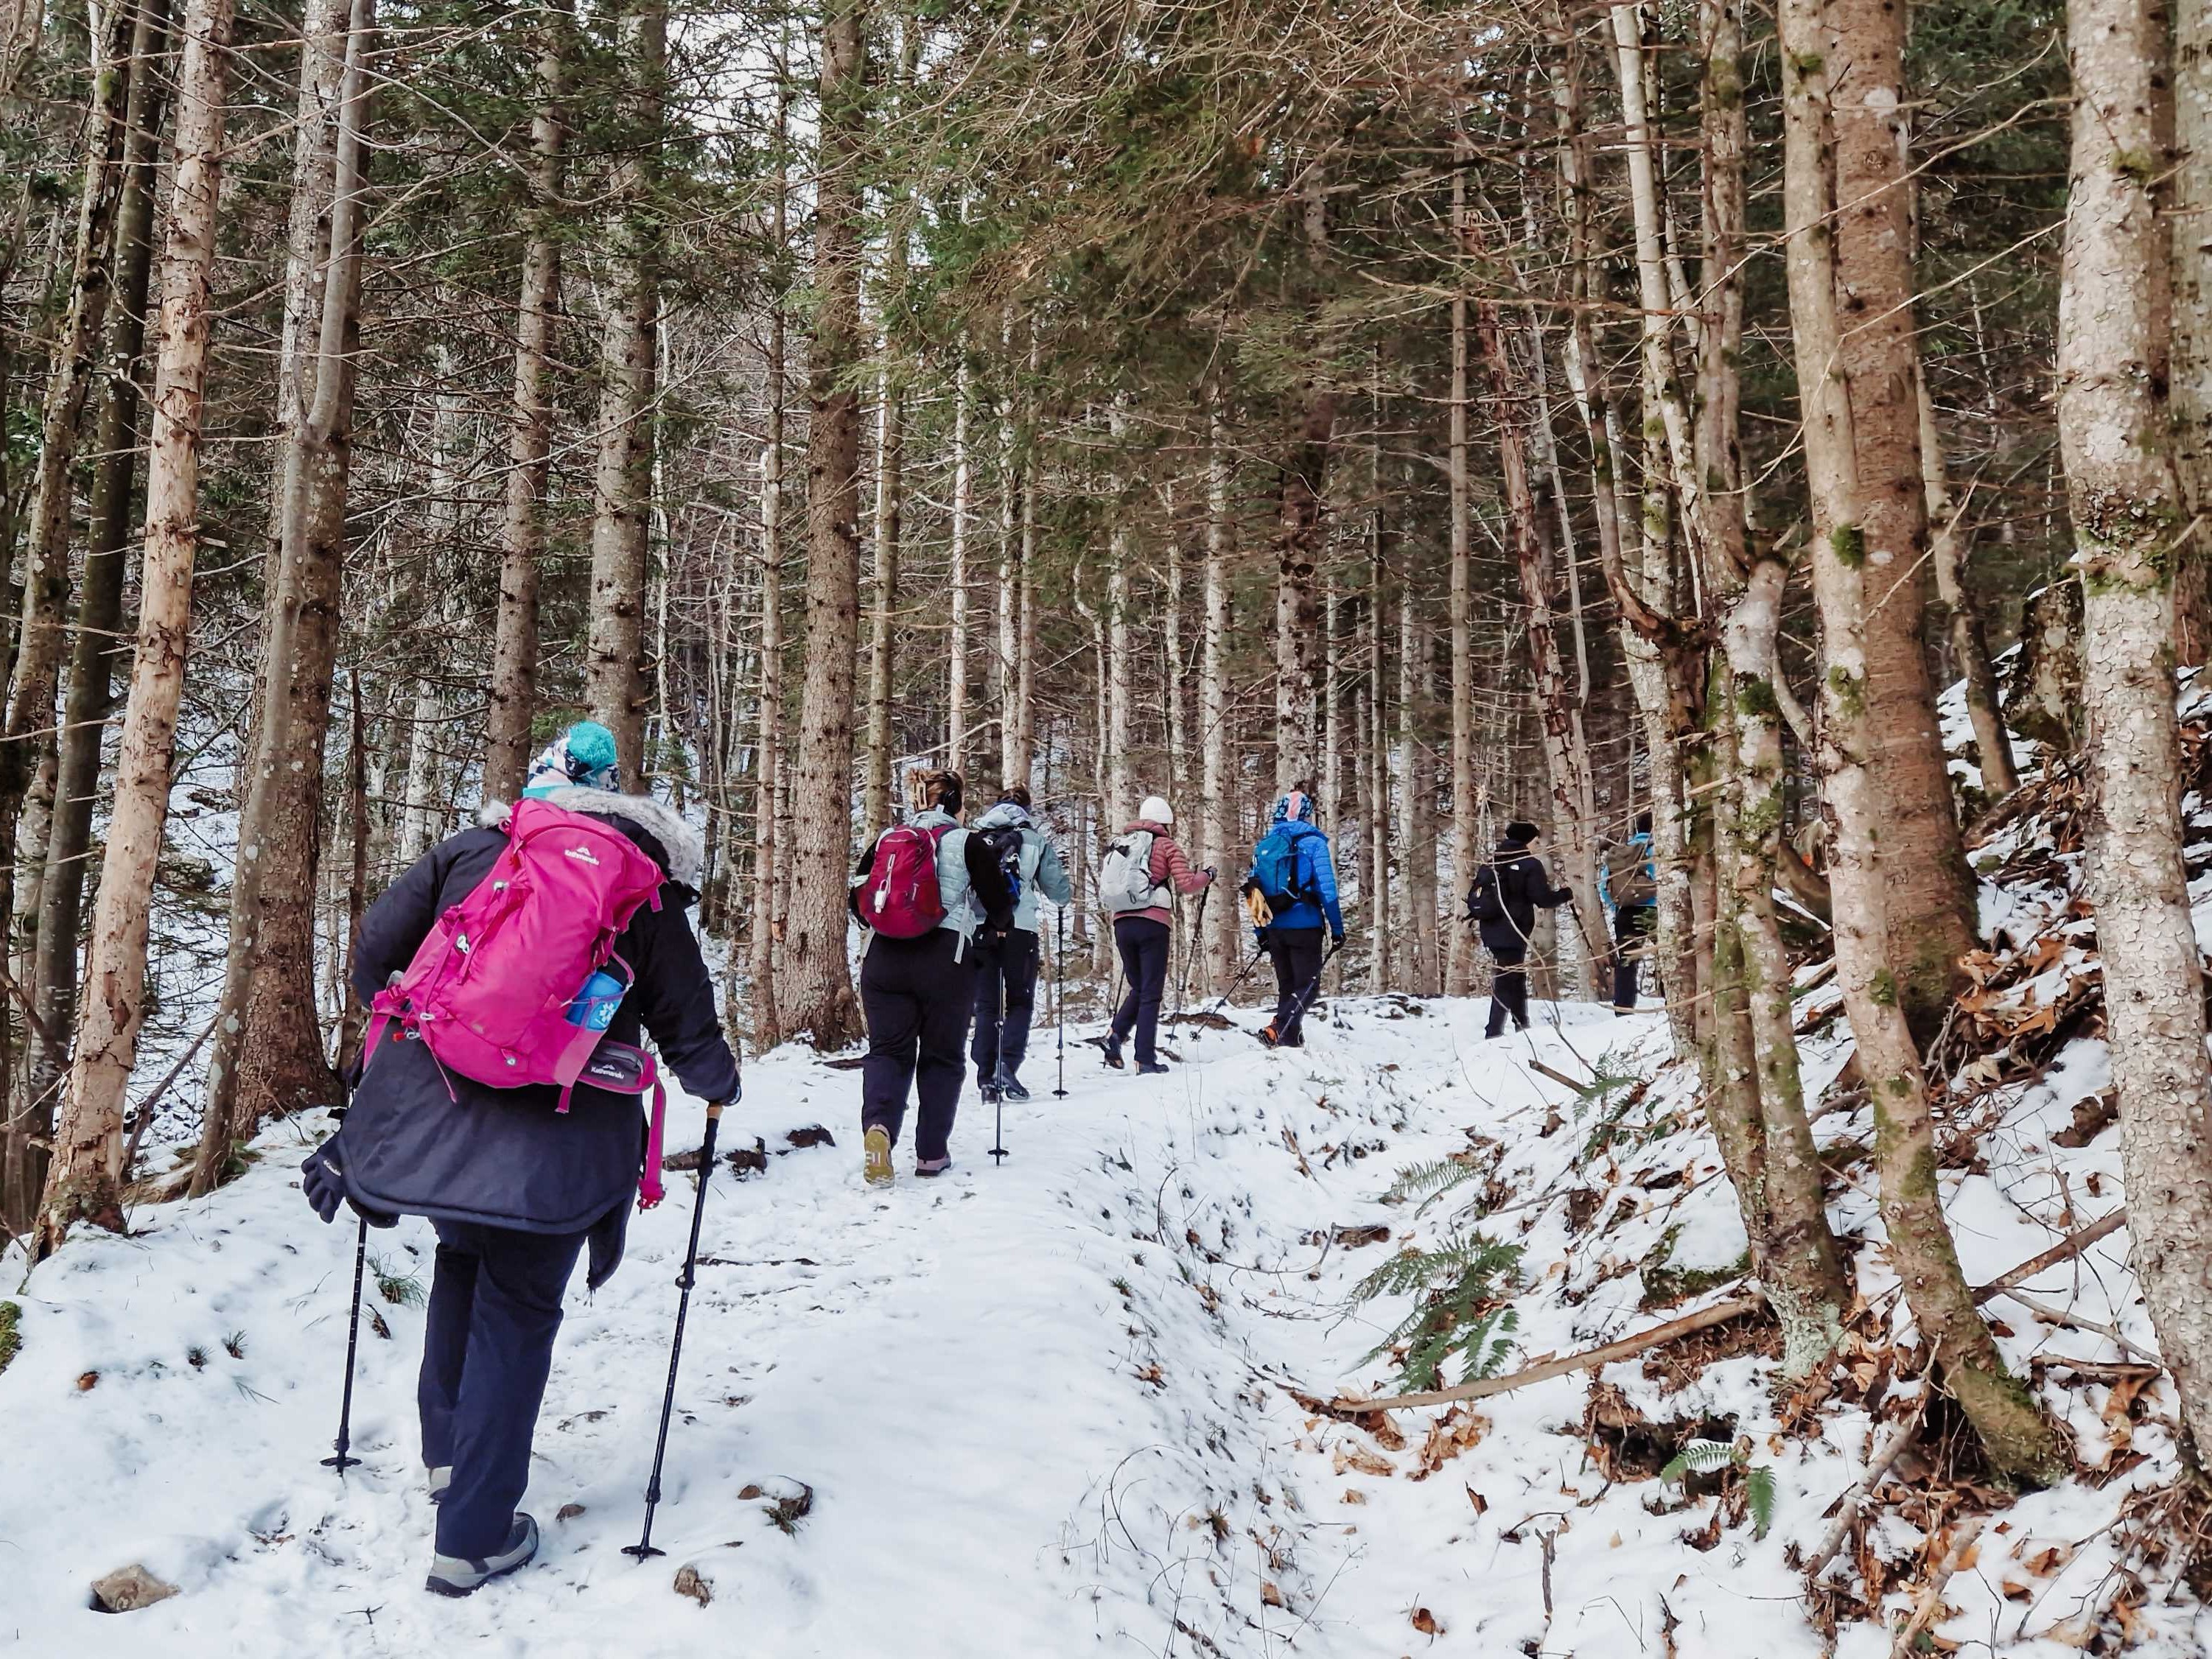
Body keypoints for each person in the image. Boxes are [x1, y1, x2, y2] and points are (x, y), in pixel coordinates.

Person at [300, 720, 740, 1597]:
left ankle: (447, 1458)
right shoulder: (640, 886)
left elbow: (375, 959)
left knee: (461, 1257)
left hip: (440, 1112)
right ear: (619, 798)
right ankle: (471, 1537)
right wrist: (717, 1084)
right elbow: (686, 1020)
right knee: (519, 1305)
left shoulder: (475, 849)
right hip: (562, 1140)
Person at [850, 771, 1015, 1183]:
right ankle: (931, 1155)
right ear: (956, 804)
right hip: (946, 959)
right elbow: (1000, 906)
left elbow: (858, 897)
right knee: (942, 1057)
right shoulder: (967, 842)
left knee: (887, 1051)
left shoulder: (890, 839)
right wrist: (996, 928)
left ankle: (880, 1130)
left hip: (884, 957)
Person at [966, 785, 1072, 1100]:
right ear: (1027, 809)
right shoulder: (1035, 840)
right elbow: (1059, 892)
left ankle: (986, 1078)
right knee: (1020, 1002)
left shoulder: (976, 837)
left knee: (986, 1005)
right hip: (1020, 929)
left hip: (981, 926)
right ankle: (1007, 1066)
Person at [1099, 795, 1212, 1074]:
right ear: (1166, 822)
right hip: (1153, 924)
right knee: (1151, 993)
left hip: (1122, 923)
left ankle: (1114, 1037)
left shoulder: (1121, 844)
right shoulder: (1166, 846)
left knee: (1139, 988)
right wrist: (1208, 876)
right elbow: (1186, 885)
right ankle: (1145, 1059)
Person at [1245, 787, 1345, 1048]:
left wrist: (1261, 932)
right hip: (1305, 925)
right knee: (1308, 986)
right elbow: (1327, 889)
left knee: (1288, 986)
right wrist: (1337, 928)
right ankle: (1279, 1027)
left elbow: (1254, 892)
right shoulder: (1314, 844)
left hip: (1274, 926)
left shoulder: (1265, 846)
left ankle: (1288, 1042)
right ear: (1307, 816)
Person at [1466, 818, 1570, 1039]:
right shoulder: (1529, 864)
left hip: (1491, 928)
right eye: (1535, 841)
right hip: (1513, 930)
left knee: (1515, 976)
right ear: (1528, 840)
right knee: (1506, 979)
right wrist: (1565, 895)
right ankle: (1493, 1032)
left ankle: (1521, 1024)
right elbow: (1542, 899)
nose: (1536, 845)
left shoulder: (1493, 861)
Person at [1602, 810, 1658, 1014]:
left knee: (1626, 962)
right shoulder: (1660, 850)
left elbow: (1604, 887)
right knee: (1673, 957)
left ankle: (1622, 1009)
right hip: (1655, 911)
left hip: (1625, 912)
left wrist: (1620, 903)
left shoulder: (1621, 852)